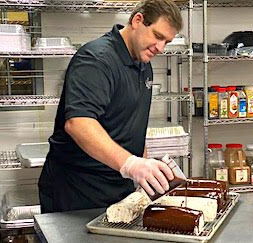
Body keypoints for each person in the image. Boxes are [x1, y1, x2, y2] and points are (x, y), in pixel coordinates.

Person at [38, 0, 183, 213]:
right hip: (78, 189)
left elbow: (132, 123)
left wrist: (144, 168)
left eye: (167, 42)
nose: (161, 48)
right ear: (138, 20)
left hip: (119, 184)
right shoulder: (96, 60)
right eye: (158, 36)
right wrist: (131, 165)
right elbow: (78, 123)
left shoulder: (144, 65)